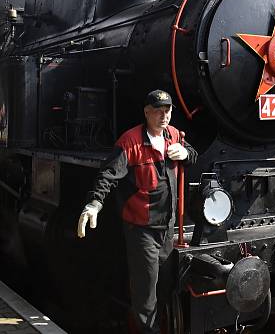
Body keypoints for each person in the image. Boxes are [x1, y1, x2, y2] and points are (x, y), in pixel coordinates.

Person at [77, 89, 197, 334]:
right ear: (146, 112)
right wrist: (94, 203)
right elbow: (109, 174)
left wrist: (186, 153)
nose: (164, 116)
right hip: (141, 228)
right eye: (158, 111)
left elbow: (192, 155)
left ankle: (159, 326)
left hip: (167, 226)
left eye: (168, 111)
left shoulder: (174, 135)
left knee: (164, 283)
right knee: (146, 290)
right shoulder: (129, 141)